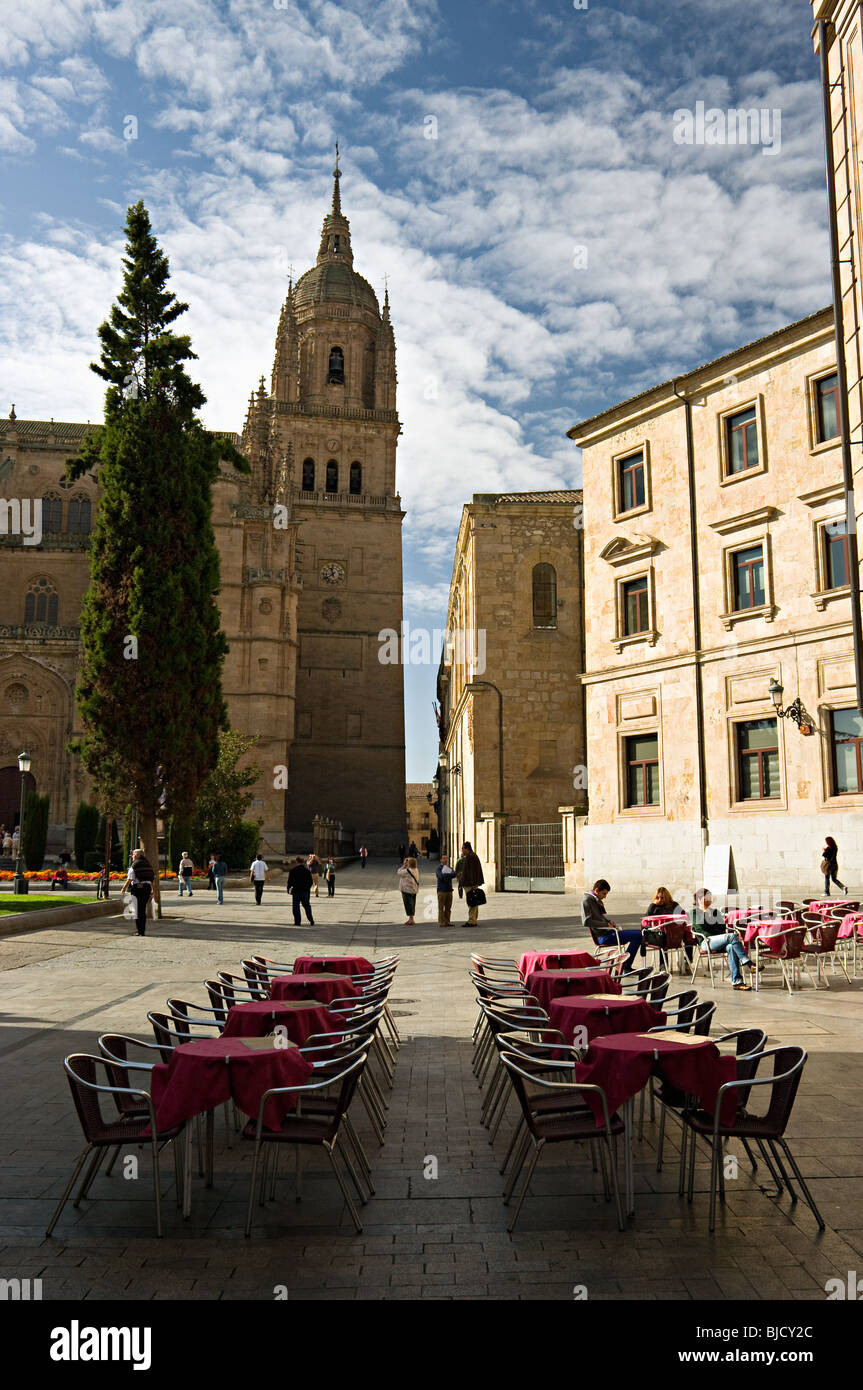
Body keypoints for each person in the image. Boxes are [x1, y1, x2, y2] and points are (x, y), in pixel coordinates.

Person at [693, 889, 754, 990]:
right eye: (706, 898)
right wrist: (705, 913)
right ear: (699, 899)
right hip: (706, 942)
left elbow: (721, 928)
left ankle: (737, 982)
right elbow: (701, 928)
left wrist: (713, 928)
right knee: (732, 936)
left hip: (719, 941)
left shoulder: (715, 912)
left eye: (710, 898)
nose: (709, 900)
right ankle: (747, 962)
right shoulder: (694, 912)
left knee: (731, 946)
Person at [581, 879, 643, 969]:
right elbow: (586, 921)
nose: (605, 897)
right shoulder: (587, 900)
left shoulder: (594, 900)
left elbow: (599, 917)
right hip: (603, 937)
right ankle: (625, 965)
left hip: (608, 932)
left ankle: (625, 964)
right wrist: (605, 925)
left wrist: (608, 922)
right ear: (597, 890)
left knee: (640, 933)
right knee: (638, 935)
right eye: (604, 894)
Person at [122, 848, 154, 937]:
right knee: (142, 910)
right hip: (147, 889)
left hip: (138, 888)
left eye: (133, 854)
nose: (132, 856)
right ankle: (141, 930)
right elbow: (152, 879)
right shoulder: (148, 865)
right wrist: (153, 890)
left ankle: (140, 931)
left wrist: (123, 888)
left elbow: (130, 879)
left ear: (138, 855)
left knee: (137, 910)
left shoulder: (134, 865)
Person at [458, 841, 484, 927]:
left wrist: (474, 883)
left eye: (462, 848)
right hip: (469, 883)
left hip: (470, 884)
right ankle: (473, 919)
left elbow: (473, 871)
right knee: (473, 902)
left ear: (467, 848)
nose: (461, 850)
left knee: (471, 902)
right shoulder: (471, 856)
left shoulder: (471, 857)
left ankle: (472, 920)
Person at [287, 855, 315, 926]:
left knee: (296, 906)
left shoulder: (293, 870)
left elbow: (289, 882)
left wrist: (288, 889)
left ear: (296, 861)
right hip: (305, 891)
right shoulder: (307, 871)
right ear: (303, 862)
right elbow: (311, 882)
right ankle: (311, 919)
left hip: (296, 891)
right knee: (307, 905)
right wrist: (307, 888)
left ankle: (297, 922)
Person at [435, 851, 456, 927]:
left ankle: (447, 921)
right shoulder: (438, 868)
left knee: (448, 907)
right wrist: (448, 875)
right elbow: (440, 877)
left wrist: (446, 874)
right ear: (440, 860)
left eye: (446, 858)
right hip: (441, 890)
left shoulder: (449, 867)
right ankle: (442, 922)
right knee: (441, 907)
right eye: (443, 858)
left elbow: (454, 874)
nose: (445, 860)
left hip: (449, 890)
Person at [398, 856, 419, 924]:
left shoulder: (407, 871)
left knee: (408, 904)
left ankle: (411, 919)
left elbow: (399, 872)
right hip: (414, 889)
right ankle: (411, 918)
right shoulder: (416, 869)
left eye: (407, 862)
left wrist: (403, 866)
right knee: (412, 904)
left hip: (407, 890)